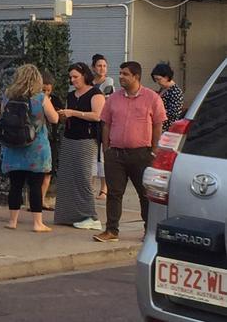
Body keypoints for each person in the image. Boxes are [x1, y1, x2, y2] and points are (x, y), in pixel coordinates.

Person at [93, 61, 166, 242]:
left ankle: (148, 232)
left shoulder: (152, 98)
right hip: (115, 154)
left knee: (145, 194)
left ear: (136, 76)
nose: (121, 77)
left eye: (125, 74)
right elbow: (106, 124)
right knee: (114, 193)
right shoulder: (114, 99)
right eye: (120, 73)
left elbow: (158, 125)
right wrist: (106, 149)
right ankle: (111, 231)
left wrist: (154, 150)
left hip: (141, 155)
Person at [0, 64, 58, 232]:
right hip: (36, 147)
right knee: (35, 185)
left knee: (15, 185)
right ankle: (37, 223)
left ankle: (12, 221)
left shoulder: (8, 96)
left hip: (13, 146)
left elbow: (3, 114)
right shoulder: (40, 98)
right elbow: (54, 119)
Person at [54, 63, 105, 230]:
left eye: (76, 76)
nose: (73, 80)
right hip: (70, 137)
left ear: (84, 75)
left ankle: (90, 215)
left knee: (83, 177)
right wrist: (63, 115)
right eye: (71, 77)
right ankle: (69, 214)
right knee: (67, 176)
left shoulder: (95, 93)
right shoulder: (71, 95)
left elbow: (98, 116)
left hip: (86, 139)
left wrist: (73, 113)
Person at [91, 54, 114, 201]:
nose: (102, 68)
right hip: (92, 121)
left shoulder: (108, 82)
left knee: (103, 152)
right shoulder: (90, 82)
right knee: (92, 153)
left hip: (104, 121)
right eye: (99, 65)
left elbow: (107, 100)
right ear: (93, 67)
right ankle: (90, 186)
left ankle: (104, 188)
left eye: (104, 66)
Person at [40, 71, 64, 211]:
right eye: (43, 90)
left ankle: (42, 199)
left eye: (48, 90)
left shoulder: (54, 100)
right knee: (37, 172)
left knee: (48, 171)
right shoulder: (35, 99)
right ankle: (35, 200)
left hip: (51, 138)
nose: (46, 93)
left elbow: (59, 117)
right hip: (38, 138)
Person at [151, 63, 183, 132]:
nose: (157, 82)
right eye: (155, 79)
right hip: (159, 127)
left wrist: (156, 112)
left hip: (168, 129)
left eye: (159, 79)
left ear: (166, 77)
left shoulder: (175, 91)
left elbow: (174, 113)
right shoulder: (163, 88)